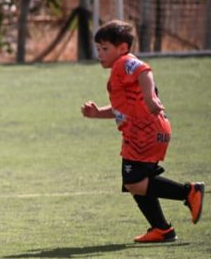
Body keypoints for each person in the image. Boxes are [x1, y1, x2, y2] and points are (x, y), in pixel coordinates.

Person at [81, 19, 203, 242]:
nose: (100, 54)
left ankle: (189, 192)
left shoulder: (124, 62)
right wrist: (98, 113)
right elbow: (122, 109)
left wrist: (150, 97)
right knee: (137, 183)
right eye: (98, 49)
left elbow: (143, 70)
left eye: (105, 49)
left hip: (144, 132)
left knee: (134, 182)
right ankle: (161, 229)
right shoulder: (120, 70)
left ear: (122, 48)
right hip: (145, 130)